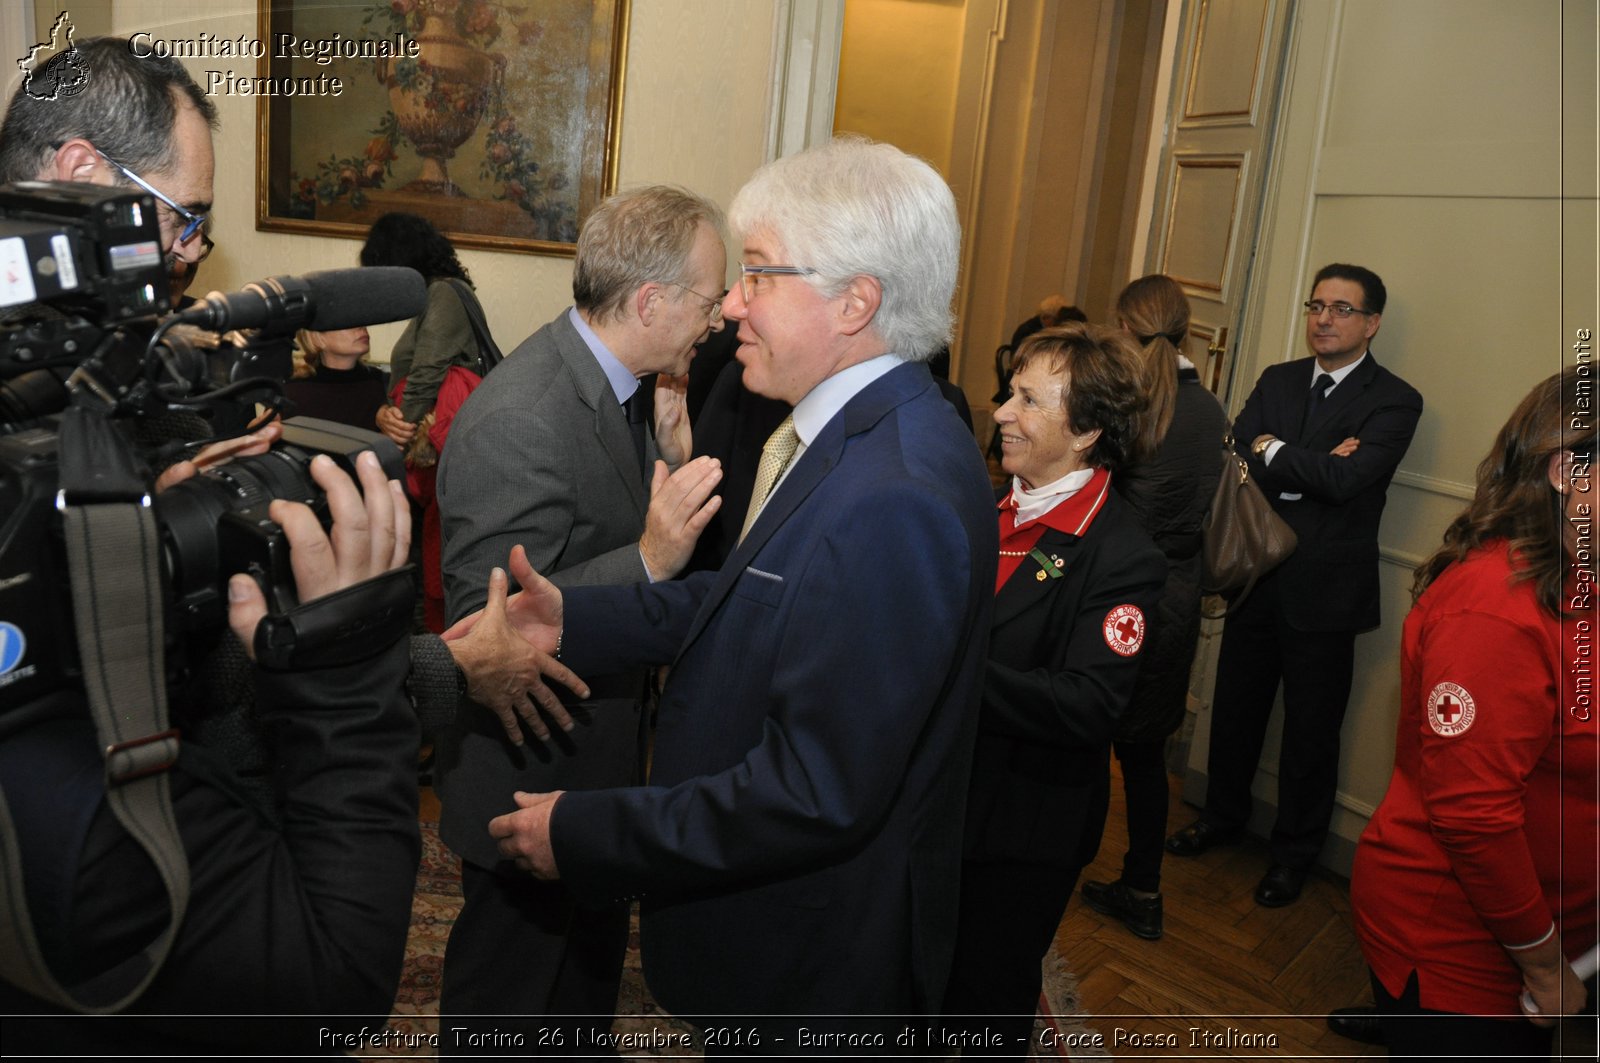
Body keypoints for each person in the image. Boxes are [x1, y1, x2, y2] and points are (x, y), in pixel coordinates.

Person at [468, 136, 997, 1037]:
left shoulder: (894, 493)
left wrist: (591, 835)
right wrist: (575, 616)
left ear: (855, 300)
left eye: (758, 274)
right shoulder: (850, 437)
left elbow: (813, 788)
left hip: (816, 958)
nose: (731, 308)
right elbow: (750, 603)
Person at [431, 184, 726, 1046]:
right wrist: (647, 561)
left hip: (591, 760)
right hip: (528, 767)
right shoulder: (521, 416)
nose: (718, 316)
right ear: (650, 301)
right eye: (708, 300)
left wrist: (673, 454)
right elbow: (485, 626)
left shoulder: (626, 383)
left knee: (577, 1001)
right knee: (510, 1003)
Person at [1350, 368, 1595, 1061]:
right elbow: (1473, 815)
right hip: (1467, 954)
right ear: (1568, 472)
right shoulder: (1495, 607)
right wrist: (1545, 967)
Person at [1166, 263, 1423, 908]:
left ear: (1372, 323)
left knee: (1312, 732)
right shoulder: (1279, 378)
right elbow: (1238, 451)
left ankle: (1293, 856)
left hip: (1327, 594)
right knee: (1236, 710)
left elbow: (1347, 481)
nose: (1324, 319)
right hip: (1256, 573)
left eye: (1341, 309)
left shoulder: (1395, 399)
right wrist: (1310, 462)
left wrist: (1276, 452)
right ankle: (1221, 817)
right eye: (1316, 305)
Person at [942, 324, 1166, 1053]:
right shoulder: (985, 507)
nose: (1001, 410)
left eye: (1028, 400)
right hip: (939, 802)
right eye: (1010, 392)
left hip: (1020, 825)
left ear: (1088, 431)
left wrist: (948, 668)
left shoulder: (1122, 553)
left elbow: (1087, 703)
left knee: (980, 1007)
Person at [1079, 275, 1227, 940]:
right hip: (1175, 600)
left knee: (1079, 739)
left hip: (1112, 593)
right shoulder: (1214, 412)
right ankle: (1143, 887)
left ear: (1123, 327)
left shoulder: (1126, 407)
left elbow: (1089, 511)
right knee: (1143, 755)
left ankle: (1063, 860)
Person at [285, 326, 390, 430]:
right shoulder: (292, 393)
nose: (361, 326)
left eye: (361, 319)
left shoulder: (382, 383)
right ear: (316, 337)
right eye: (347, 322)